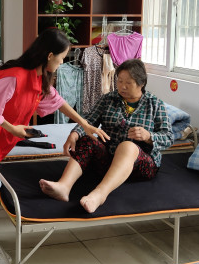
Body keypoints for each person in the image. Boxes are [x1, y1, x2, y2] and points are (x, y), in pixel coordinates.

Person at [0, 28, 109, 264]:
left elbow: (58, 102)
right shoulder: (14, 77)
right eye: (61, 58)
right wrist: (13, 129)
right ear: (49, 55)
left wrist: (85, 124)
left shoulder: (38, 77)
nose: (62, 63)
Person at [40, 58, 173, 213]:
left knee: (128, 146)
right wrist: (75, 134)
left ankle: (99, 194)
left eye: (128, 83)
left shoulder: (155, 104)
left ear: (141, 83)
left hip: (141, 167)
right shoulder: (108, 99)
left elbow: (169, 137)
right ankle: (64, 186)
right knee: (87, 139)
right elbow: (89, 122)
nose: (122, 86)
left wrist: (149, 136)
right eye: (120, 81)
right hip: (109, 159)